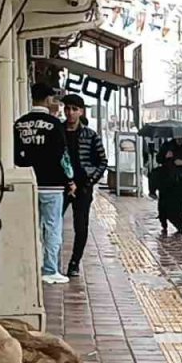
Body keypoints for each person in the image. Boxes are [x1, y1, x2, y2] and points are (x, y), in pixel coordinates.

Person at [14, 82, 74, 285]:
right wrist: (70, 180)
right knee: (52, 227)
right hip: (53, 184)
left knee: (31, 226)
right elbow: (62, 157)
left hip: (28, 182)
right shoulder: (54, 124)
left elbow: (16, 156)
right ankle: (50, 269)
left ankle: (28, 266)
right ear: (48, 100)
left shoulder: (19, 124)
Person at [60, 94, 107, 278]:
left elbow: (102, 161)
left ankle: (74, 262)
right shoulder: (59, 131)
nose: (70, 113)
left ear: (81, 111)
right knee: (53, 224)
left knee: (81, 225)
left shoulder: (90, 135)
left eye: (74, 109)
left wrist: (90, 181)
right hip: (62, 185)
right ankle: (51, 262)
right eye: (67, 109)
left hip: (83, 186)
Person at [149, 137, 182, 236]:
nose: (179, 141)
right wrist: (166, 156)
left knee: (179, 206)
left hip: (180, 184)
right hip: (166, 182)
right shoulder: (167, 146)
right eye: (178, 138)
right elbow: (159, 159)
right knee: (165, 204)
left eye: (181, 139)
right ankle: (164, 223)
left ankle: (180, 226)